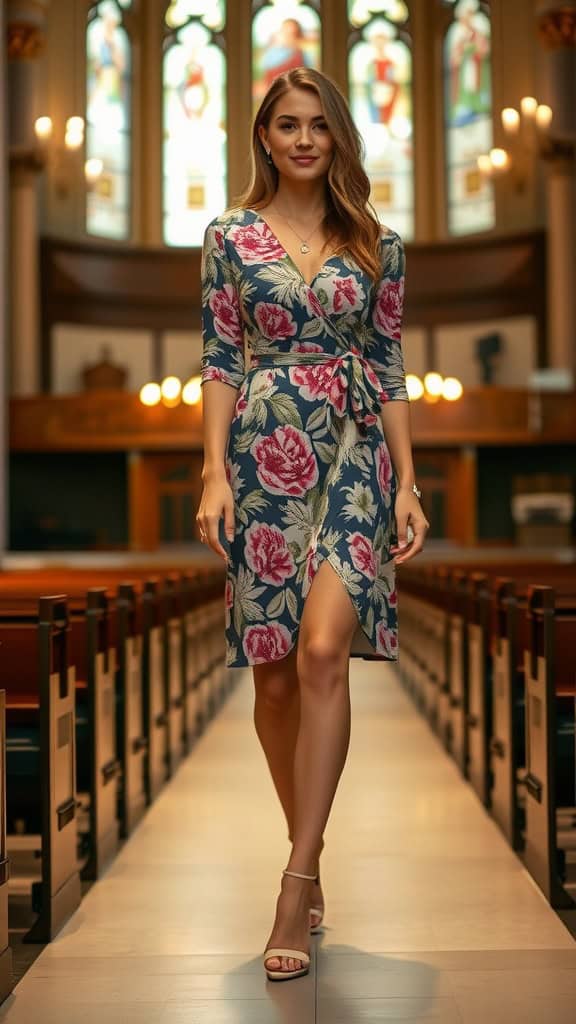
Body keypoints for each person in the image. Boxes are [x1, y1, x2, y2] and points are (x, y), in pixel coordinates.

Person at [196, 67, 428, 982]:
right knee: (277, 676)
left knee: (325, 650)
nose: (302, 140)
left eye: (318, 127)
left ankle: (295, 880)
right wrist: (213, 472)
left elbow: (392, 362)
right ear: (264, 135)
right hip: (259, 454)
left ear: (338, 139)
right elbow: (219, 355)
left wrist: (409, 481)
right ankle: (312, 841)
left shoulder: (377, 243)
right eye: (286, 125)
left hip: (357, 450)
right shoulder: (228, 237)